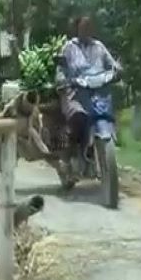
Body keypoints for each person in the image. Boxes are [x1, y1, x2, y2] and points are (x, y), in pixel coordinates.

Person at [57, 16, 122, 182]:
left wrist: (117, 69)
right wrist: (62, 80)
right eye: (82, 28)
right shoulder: (69, 48)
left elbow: (112, 64)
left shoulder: (99, 47)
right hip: (75, 92)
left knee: (107, 109)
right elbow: (60, 69)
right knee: (78, 116)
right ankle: (70, 157)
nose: (85, 31)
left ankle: (95, 151)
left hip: (97, 91)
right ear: (77, 29)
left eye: (88, 28)